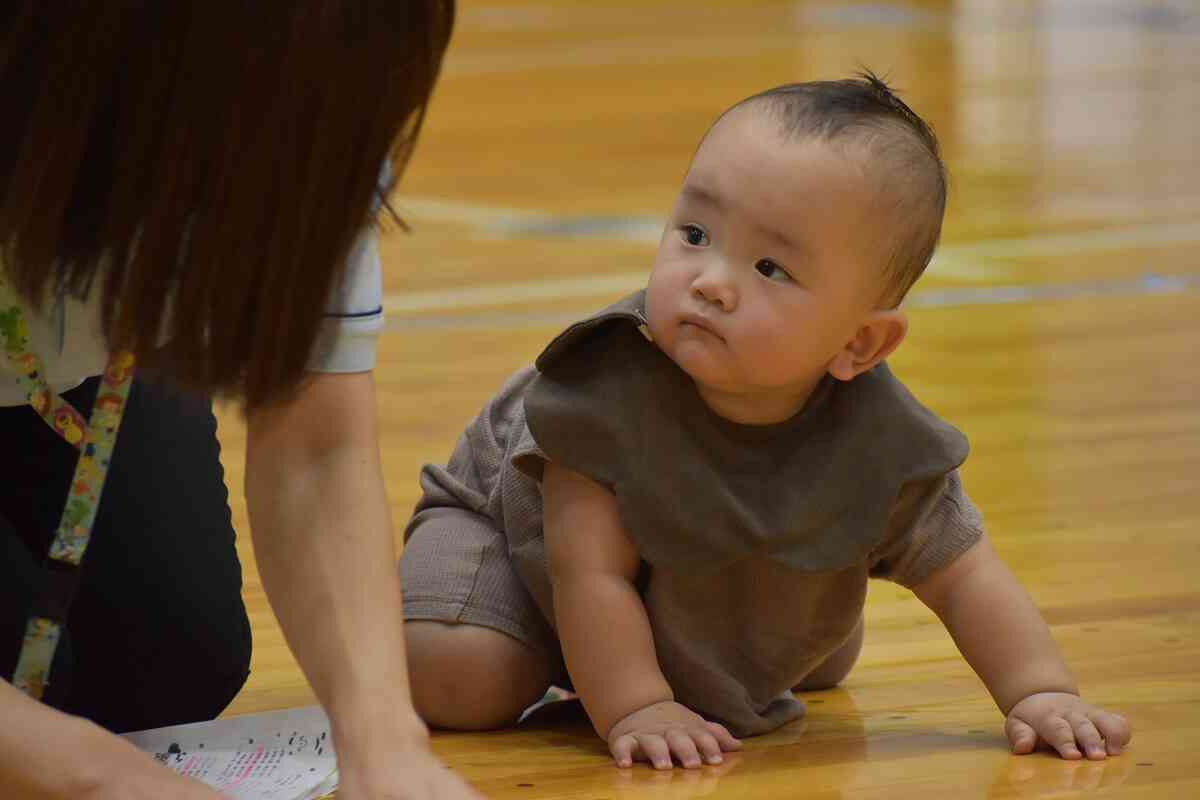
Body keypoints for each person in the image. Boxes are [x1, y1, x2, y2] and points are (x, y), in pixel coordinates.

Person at [397, 74, 1134, 770]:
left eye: (770, 269)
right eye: (693, 234)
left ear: (859, 345)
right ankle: (560, 654)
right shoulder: (603, 391)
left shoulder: (882, 440)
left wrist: (1041, 692)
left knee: (812, 657)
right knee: (465, 679)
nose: (711, 282)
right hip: (510, 546)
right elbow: (587, 574)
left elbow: (967, 575)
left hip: (683, 577)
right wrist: (638, 709)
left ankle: (705, 651)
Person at [1, 3, 481, 798]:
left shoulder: (323, 85)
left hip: (78, 380)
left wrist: (385, 746)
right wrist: (95, 777)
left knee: (167, 666)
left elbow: (317, 446)